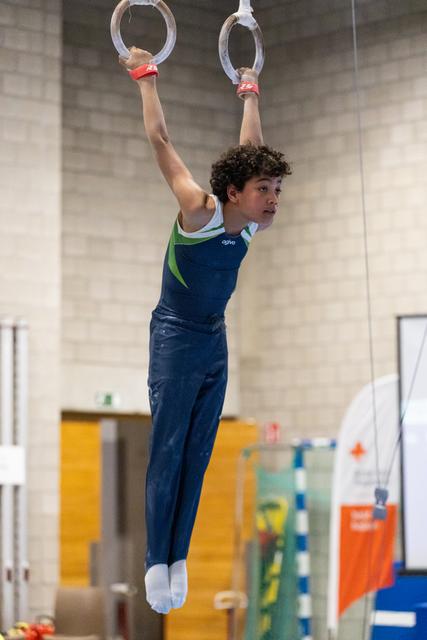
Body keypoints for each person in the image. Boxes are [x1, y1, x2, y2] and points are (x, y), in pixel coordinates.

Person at [119, 47, 291, 615]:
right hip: (173, 337)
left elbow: (250, 151)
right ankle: (154, 560)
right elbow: (162, 144)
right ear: (236, 192)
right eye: (264, 190)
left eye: (277, 191)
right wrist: (146, 78)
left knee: (199, 450)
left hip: (214, 339)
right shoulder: (199, 210)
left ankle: (179, 556)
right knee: (167, 450)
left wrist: (250, 90)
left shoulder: (249, 228)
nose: (273, 201)